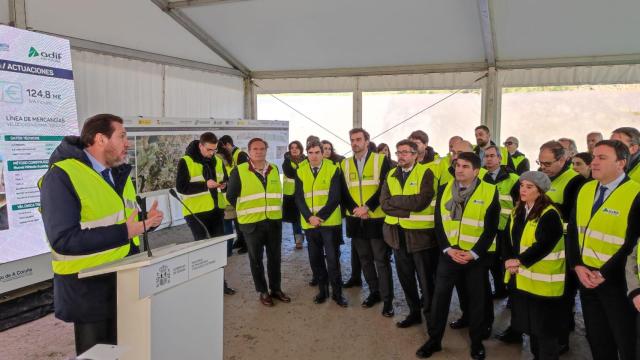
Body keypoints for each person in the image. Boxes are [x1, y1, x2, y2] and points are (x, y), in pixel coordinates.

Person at [39, 114, 164, 355]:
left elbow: (123, 219)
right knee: (98, 354)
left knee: (127, 349)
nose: (127, 143)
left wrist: (146, 222)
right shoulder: (61, 176)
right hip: (88, 289)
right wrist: (126, 231)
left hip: (125, 279)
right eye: (122, 136)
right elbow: (64, 240)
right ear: (100, 139)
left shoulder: (118, 174)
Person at [416, 152, 500, 360]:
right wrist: (447, 249)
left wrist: (473, 253)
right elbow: (439, 223)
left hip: (476, 257)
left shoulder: (489, 191)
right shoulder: (445, 189)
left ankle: (477, 342)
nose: (459, 169)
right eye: (457, 165)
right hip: (450, 254)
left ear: (476, 171)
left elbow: (490, 229)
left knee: (477, 300)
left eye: (465, 166)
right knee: (440, 299)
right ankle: (434, 340)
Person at [567, 140, 639, 360]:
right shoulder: (586, 188)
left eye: (602, 158)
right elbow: (573, 231)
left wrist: (603, 273)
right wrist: (577, 265)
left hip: (618, 284)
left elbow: (632, 244)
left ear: (621, 163)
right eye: (594, 156)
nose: (594, 162)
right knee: (597, 340)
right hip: (586, 278)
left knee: (627, 342)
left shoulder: (635, 193)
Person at [503, 171, 566, 360]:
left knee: (545, 332)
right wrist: (507, 259)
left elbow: (544, 244)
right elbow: (507, 238)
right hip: (523, 280)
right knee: (531, 328)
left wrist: (519, 261)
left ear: (540, 191)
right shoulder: (518, 210)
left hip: (544, 284)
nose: (523, 190)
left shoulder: (550, 213)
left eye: (529, 187)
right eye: (522, 185)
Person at [226, 138, 291, 307]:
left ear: (266, 150)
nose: (259, 152)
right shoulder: (239, 171)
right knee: (256, 260)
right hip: (252, 224)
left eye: (262, 149)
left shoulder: (274, 169)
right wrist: (245, 211)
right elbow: (231, 196)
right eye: (255, 149)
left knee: (275, 258)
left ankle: (276, 289)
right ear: (249, 151)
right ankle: (263, 291)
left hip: (273, 222)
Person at [380, 139, 438, 329]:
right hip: (397, 237)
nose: (401, 156)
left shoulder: (426, 172)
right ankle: (414, 313)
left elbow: (421, 201)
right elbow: (384, 204)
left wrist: (398, 202)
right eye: (398, 152)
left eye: (405, 152)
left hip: (420, 238)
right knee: (406, 279)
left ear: (415, 155)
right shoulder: (391, 174)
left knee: (426, 283)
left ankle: (432, 321)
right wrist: (407, 209)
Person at [536, 140, 585, 352]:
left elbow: (573, 216)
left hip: (564, 248)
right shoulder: (541, 177)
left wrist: (543, 205)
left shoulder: (575, 182)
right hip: (543, 247)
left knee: (563, 297)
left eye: (547, 163)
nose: (542, 167)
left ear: (563, 159)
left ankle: (561, 340)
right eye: (540, 162)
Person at [340, 128, 394, 316]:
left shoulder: (381, 160)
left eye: (358, 139)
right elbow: (343, 191)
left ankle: (388, 301)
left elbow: (384, 188)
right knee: (364, 259)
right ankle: (374, 292)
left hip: (376, 218)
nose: (355, 143)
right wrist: (356, 209)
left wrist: (367, 208)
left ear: (367, 140)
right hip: (355, 218)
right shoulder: (344, 164)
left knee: (381, 260)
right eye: (352, 140)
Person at [175, 132, 235, 295]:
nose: (212, 153)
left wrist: (224, 185)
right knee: (202, 250)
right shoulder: (186, 161)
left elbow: (226, 179)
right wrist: (205, 185)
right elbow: (181, 187)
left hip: (216, 211)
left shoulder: (217, 161)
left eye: (214, 150)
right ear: (200, 145)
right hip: (195, 213)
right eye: (209, 150)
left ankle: (220, 284)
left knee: (218, 249)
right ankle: (204, 285)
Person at [294, 140, 347, 307]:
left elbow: (335, 198)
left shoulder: (333, 168)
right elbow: (299, 198)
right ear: (307, 154)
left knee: (332, 261)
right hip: (310, 225)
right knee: (315, 260)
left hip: (329, 224)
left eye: (317, 152)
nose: (314, 156)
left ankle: (337, 295)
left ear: (322, 152)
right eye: (310, 153)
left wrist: (320, 217)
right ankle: (323, 292)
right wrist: (310, 217)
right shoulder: (300, 171)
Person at [219, 134, 249, 253]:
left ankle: (246, 244)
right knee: (236, 221)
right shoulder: (229, 156)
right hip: (231, 191)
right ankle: (240, 240)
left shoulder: (240, 155)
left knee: (241, 221)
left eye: (222, 147)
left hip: (240, 193)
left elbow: (243, 175)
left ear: (227, 144)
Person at [282, 140, 306, 249]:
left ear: (301, 149)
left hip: (305, 194)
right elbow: (290, 174)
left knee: (306, 217)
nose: (294, 149)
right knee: (295, 219)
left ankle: (307, 235)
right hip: (291, 195)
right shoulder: (286, 162)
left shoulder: (307, 161)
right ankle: (298, 240)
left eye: (296, 147)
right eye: (292, 148)